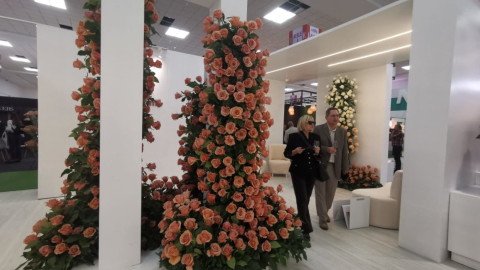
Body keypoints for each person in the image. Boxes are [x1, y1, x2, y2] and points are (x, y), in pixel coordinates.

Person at [284, 115, 320, 241]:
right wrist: (294, 152)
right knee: (302, 199)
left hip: (311, 172)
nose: (312, 125)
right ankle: (306, 229)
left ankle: (299, 217)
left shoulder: (316, 137)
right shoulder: (294, 137)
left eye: (313, 122)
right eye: (310, 122)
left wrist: (318, 151)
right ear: (303, 123)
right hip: (298, 172)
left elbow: (316, 156)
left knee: (306, 199)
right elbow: (286, 153)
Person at [313, 108, 349, 230]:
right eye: (333, 115)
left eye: (337, 115)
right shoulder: (318, 129)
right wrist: (326, 149)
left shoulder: (342, 131)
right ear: (326, 117)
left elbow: (344, 151)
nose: (336, 118)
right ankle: (322, 218)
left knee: (330, 193)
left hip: (335, 165)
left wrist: (345, 167)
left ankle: (324, 211)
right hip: (322, 164)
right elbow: (314, 145)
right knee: (320, 192)